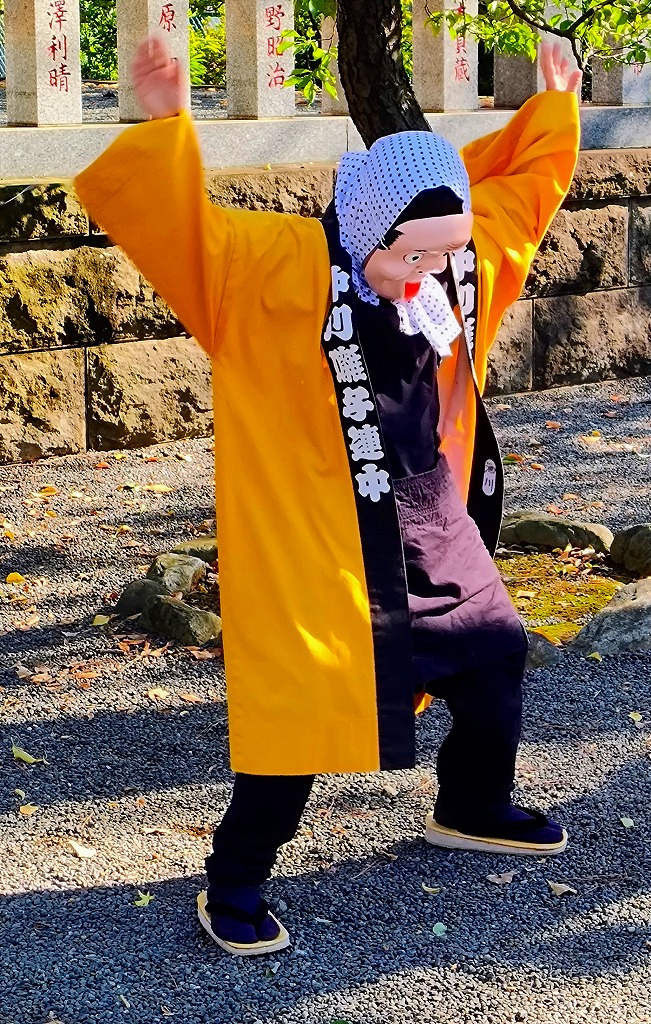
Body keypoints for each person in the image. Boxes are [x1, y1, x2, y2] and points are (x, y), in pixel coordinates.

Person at [75, 36, 581, 957]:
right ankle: (233, 879)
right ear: (366, 227)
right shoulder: (273, 269)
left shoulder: (454, 263)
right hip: (320, 537)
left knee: (495, 652)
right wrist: (161, 124)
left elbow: (524, 201)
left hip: (428, 512)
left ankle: (471, 807)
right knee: (302, 717)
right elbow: (188, 232)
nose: (430, 274)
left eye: (445, 254)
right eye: (410, 256)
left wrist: (551, 111)